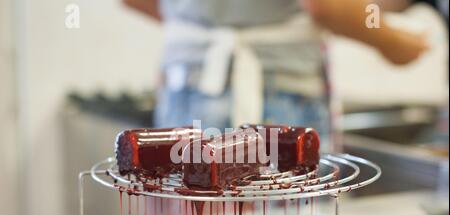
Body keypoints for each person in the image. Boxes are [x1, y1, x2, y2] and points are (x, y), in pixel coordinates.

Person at [123, 0, 428, 149]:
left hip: (183, 92)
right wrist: (394, 42)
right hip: (274, 97)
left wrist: (200, 23)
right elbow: (324, 4)